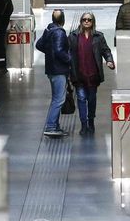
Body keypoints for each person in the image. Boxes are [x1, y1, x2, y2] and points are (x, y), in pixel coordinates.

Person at [69, 13, 115, 136]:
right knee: (81, 99)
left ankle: (91, 121)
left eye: (89, 20)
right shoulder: (73, 36)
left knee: (92, 99)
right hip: (79, 75)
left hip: (93, 75)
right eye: (84, 19)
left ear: (93, 22)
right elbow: (69, 54)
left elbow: (106, 50)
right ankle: (84, 124)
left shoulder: (98, 37)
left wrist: (109, 60)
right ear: (81, 21)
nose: (86, 21)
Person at [34, 10, 72, 138]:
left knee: (56, 98)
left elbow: (39, 45)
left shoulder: (48, 30)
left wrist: (49, 53)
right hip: (59, 70)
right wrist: (70, 60)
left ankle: (54, 126)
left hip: (51, 69)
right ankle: (51, 126)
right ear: (63, 20)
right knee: (59, 99)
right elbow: (59, 51)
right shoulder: (59, 33)